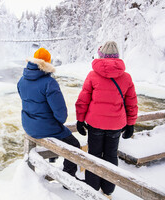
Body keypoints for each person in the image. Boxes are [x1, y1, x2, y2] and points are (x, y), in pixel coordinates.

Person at [75, 41, 138, 198]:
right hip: (116, 125)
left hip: (95, 124)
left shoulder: (92, 75)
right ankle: (108, 189)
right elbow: (132, 103)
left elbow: (83, 100)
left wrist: (80, 120)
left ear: (101, 55)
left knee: (94, 154)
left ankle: (92, 187)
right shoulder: (126, 77)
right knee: (110, 155)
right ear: (117, 56)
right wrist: (130, 124)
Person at [17, 47, 80, 179]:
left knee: (58, 133)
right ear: (47, 64)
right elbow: (61, 114)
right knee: (74, 145)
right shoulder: (49, 83)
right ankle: (69, 179)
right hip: (44, 127)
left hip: (28, 125)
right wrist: (58, 122)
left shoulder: (22, 80)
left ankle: (52, 158)